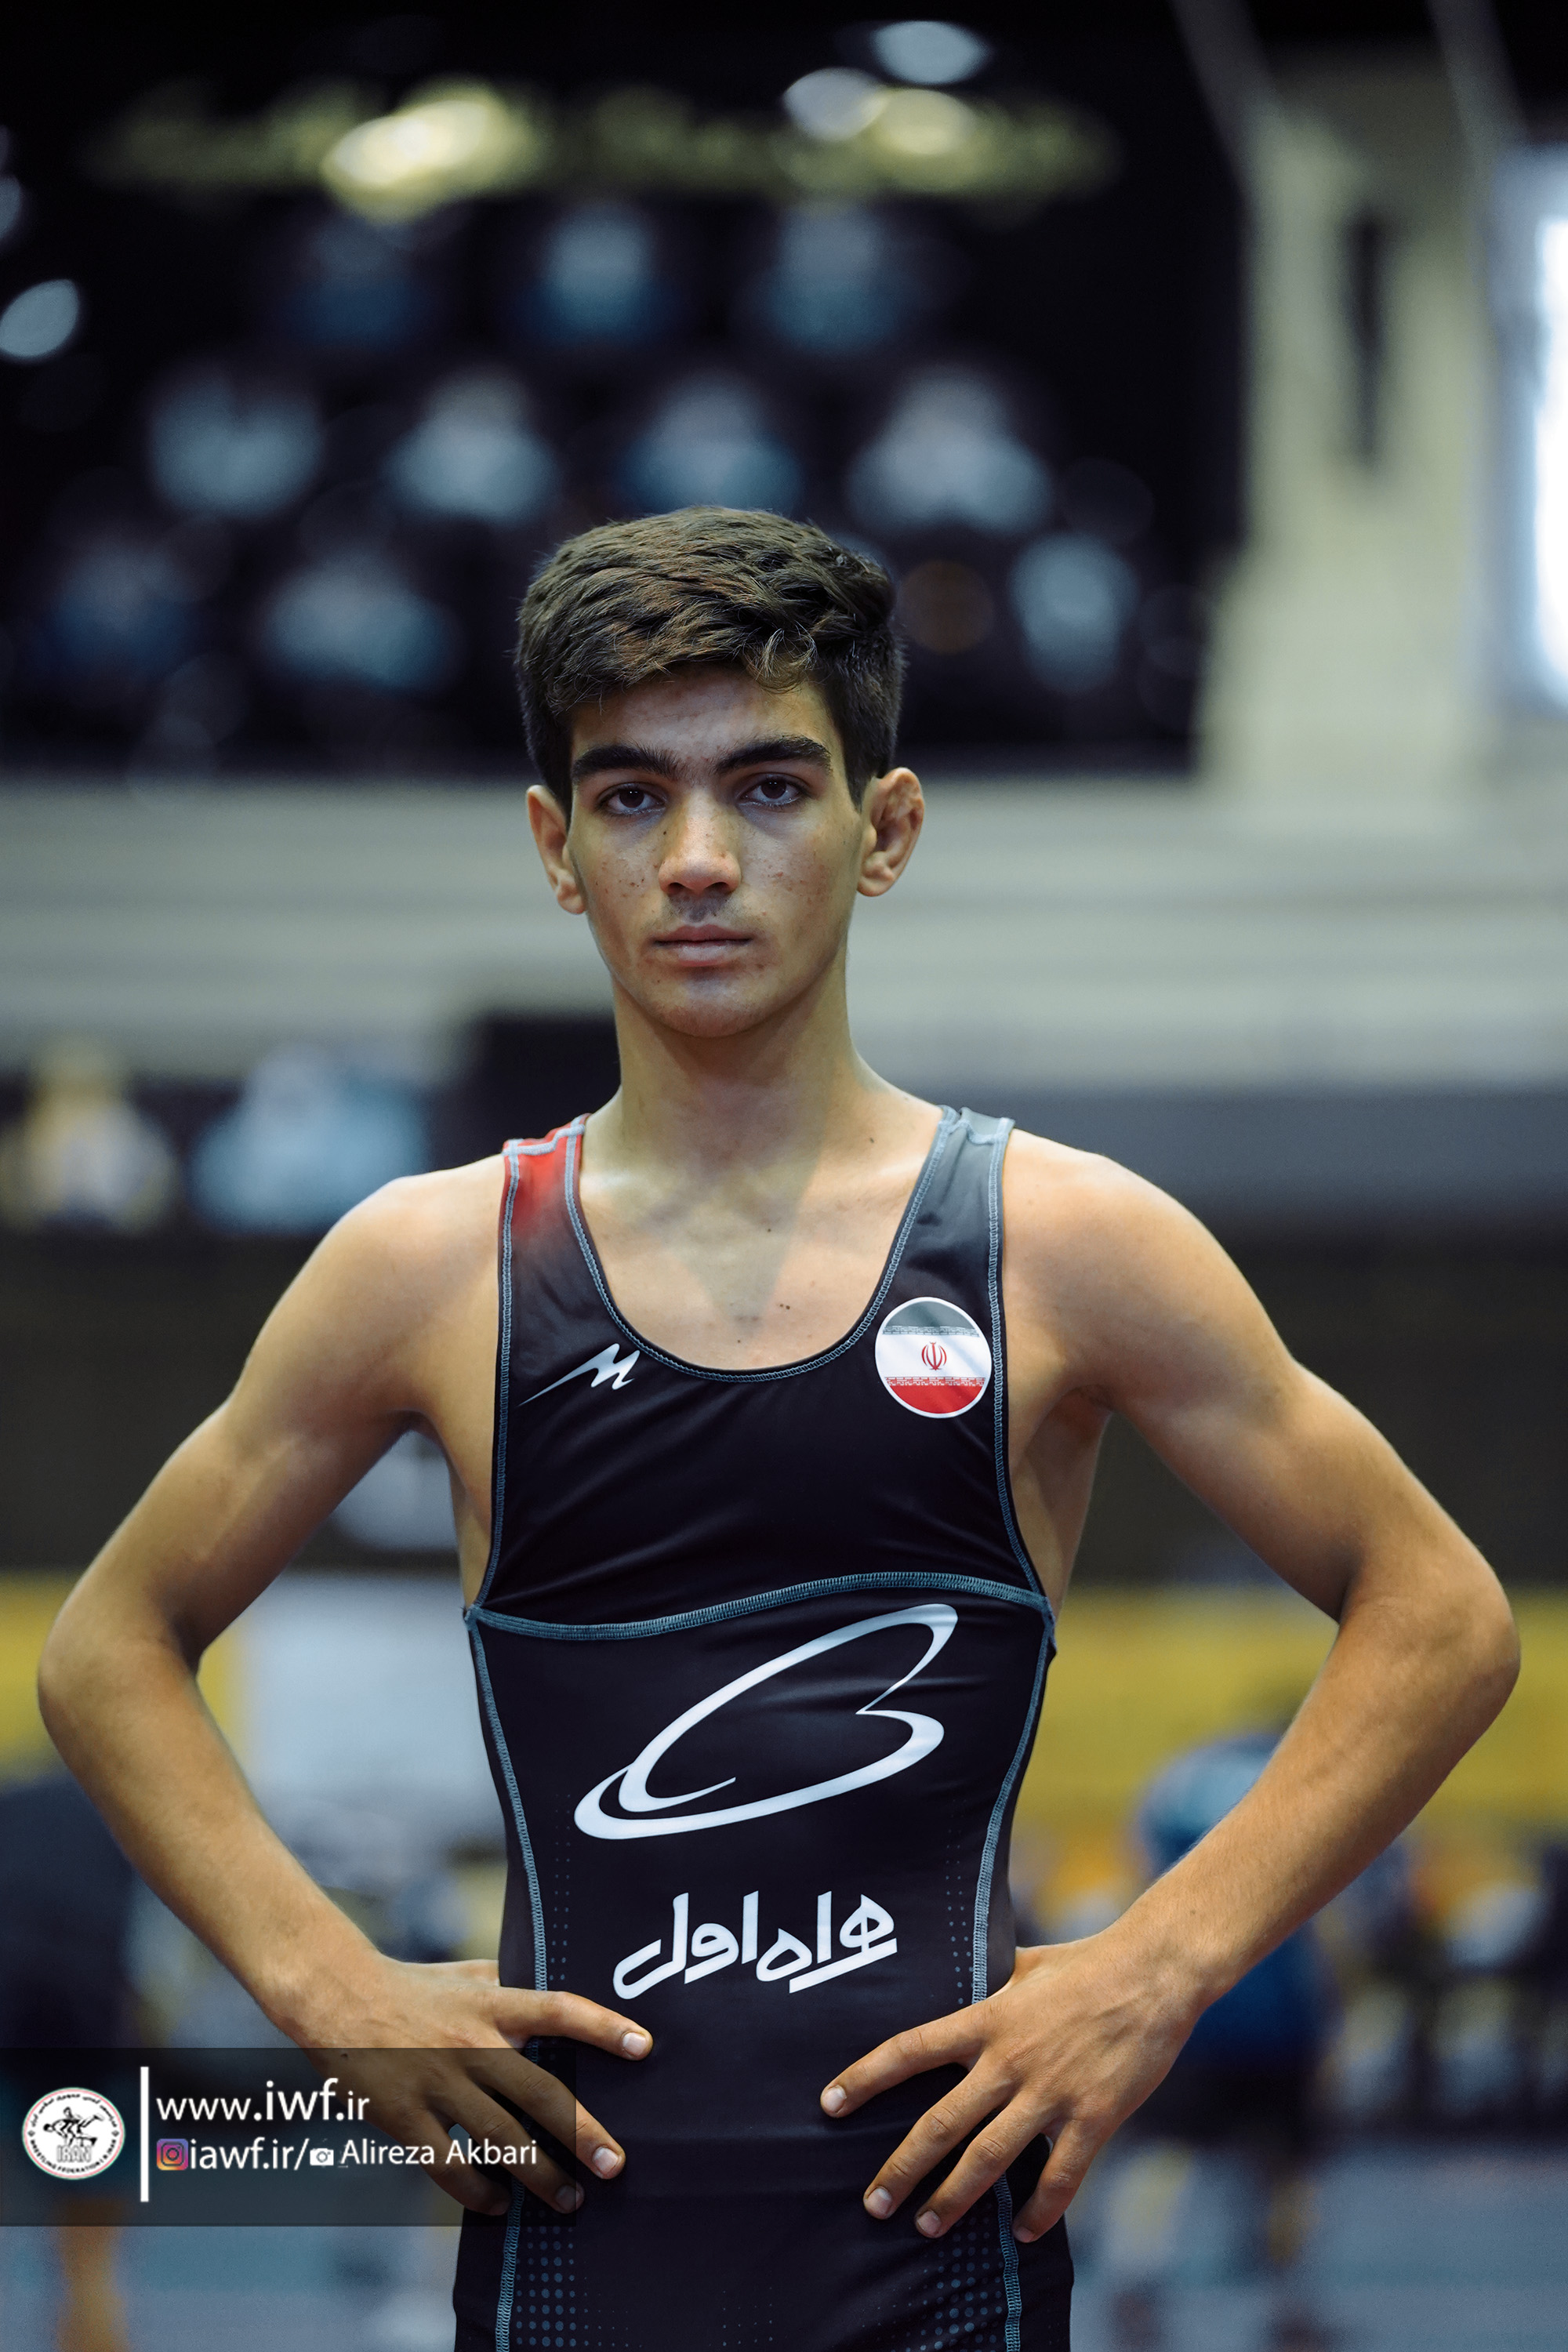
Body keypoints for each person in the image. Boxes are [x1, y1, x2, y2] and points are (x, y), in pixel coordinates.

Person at [38, 507, 1518, 2351]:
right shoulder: (430, 1269)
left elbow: (1439, 1616)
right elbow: (106, 1647)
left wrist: (1157, 1966)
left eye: (767, 788)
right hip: (571, 2272)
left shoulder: (1065, 1246)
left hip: (944, 2274)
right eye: (631, 798)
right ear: (554, 848)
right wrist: (322, 1981)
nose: (699, 862)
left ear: (882, 829)